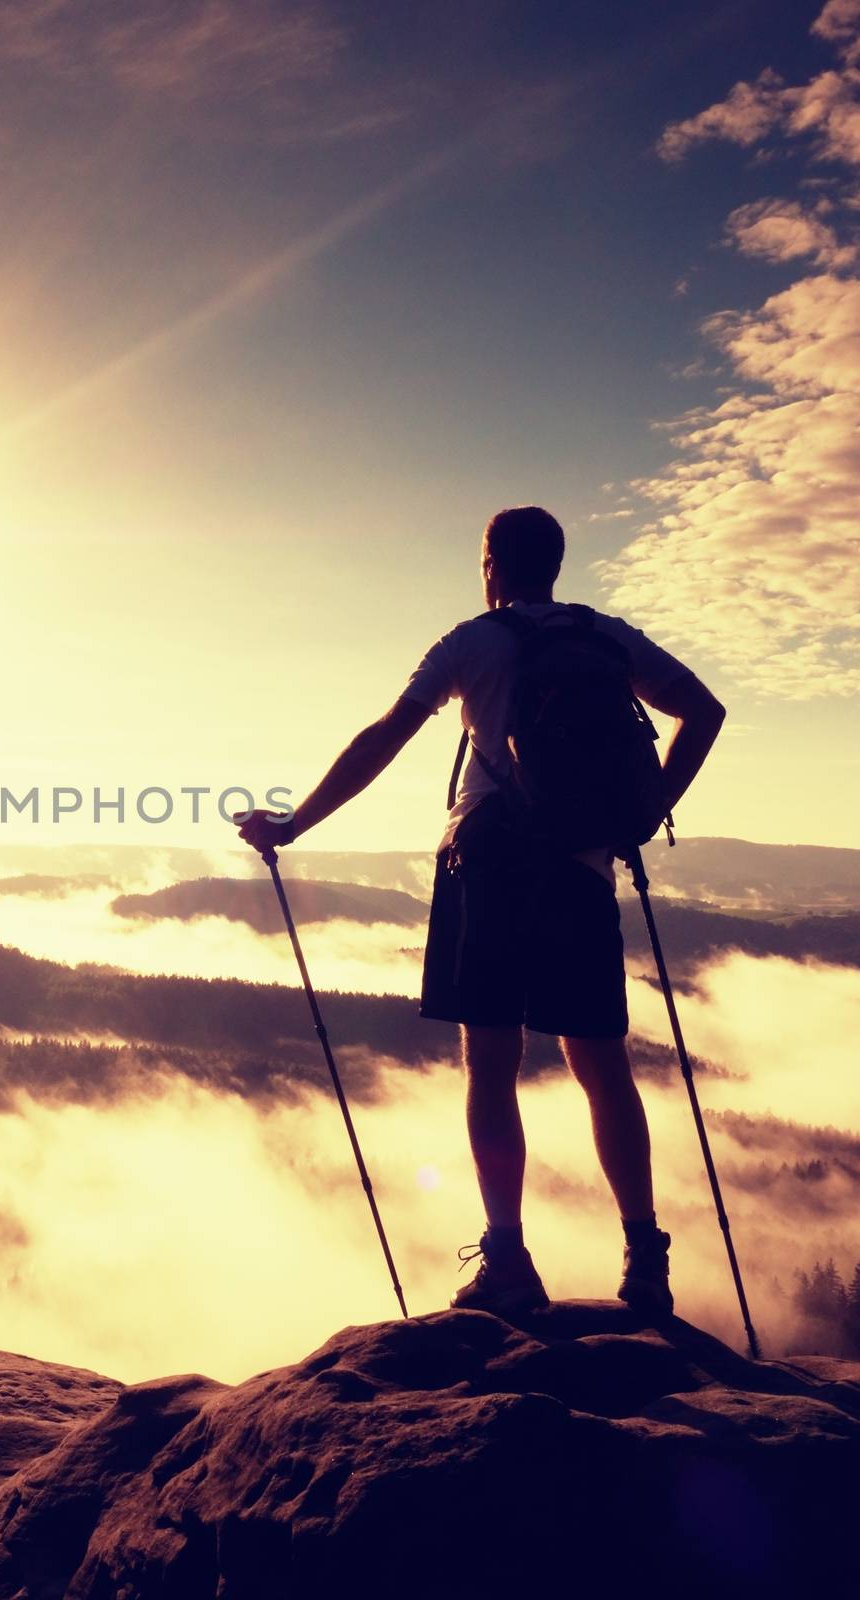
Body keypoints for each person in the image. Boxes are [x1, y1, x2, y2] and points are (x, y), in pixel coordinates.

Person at [236, 506, 725, 1316]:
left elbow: (387, 734)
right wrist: (642, 813)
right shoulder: (609, 639)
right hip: (582, 873)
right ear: (557, 567)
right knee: (602, 1066)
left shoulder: (473, 642)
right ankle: (645, 1258)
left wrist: (294, 824)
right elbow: (703, 713)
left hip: (488, 866)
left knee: (491, 1064)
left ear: (491, 564)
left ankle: (508, 1260)